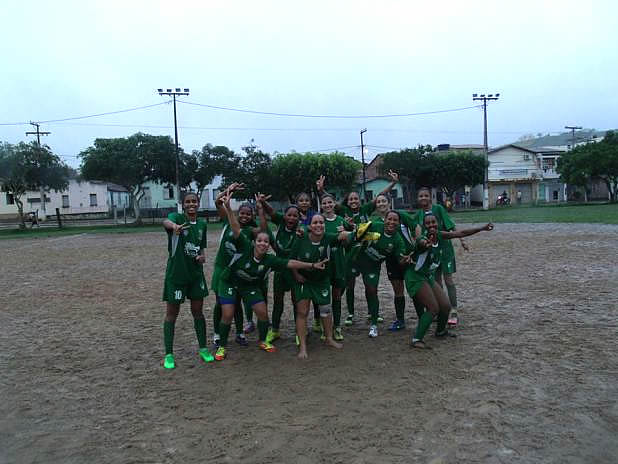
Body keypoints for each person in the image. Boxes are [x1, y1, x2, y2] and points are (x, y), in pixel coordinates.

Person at [214, 193, 327, 361]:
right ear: (254, 242)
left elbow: (290, 263)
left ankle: (262, 340)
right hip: (229, 282)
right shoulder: (246, 246)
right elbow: (236, 227)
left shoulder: (269, 259)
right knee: (228, 314)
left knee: (262, 313)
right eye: (259, 241)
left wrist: (311, 265)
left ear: (269, 245)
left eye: (266, 242)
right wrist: (229, 208)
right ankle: (222, 346)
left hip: (248, 286)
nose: (262, 244)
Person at [316, 171, 400, 327]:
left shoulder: (365, 210)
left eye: (356, 198)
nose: (353, 201)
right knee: (350, 284)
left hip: (365, 253)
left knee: (370, 286)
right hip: (349, 253)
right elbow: (331, 202)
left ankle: (371, 313)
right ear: (347, 202)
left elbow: (380, 196)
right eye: (351, 199)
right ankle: (350, 313)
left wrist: (393, 183)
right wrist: (321, 190)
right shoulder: (343, 212)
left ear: (359, 201)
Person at [407, 213, 493, 348]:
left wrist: (481, 228)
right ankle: (417, 339)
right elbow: (421, 244)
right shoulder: (422, 238)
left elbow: (461, 233)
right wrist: (425, 244)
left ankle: (440, 331)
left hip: (427, 277)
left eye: (433, 222)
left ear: (438, 223)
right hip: (415, 277)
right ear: (424, 226)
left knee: (446, 307)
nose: (431, 225)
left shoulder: (440, 235)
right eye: (428, 223)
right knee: (433, 308)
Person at [161, 191, 212, 369]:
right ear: (183, 205)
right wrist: (174, 226)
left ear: (198, 204)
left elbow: (201, 248)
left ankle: (203, 349)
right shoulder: (177, 217)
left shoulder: (202, 224)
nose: (192, 204)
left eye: (194, 201)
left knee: (198, 311)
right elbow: (165, 221)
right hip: (177, 275)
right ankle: (168, 354)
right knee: (171, 314)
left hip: (195, 275)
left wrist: (202, 257)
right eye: (188, 202)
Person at [290, 214, 352, 359]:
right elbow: (291, 260)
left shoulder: (328, 237)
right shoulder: (301, 238)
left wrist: (355, 230)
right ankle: (303, 347)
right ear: (310, 226)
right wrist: (296, 275)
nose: (319, 225)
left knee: (325, 309)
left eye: (321, 222)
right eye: (315, 223)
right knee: (302, 312)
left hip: (321, 280)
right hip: (304, 280)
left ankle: (329, 338)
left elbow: (342, 236)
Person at [347, 211, 409, 337]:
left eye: (395, 220)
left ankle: (374, 325)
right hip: (355, 259)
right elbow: (354, 233)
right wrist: (354, 234)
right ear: (384, 220)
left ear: (399, 223)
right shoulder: (374, 225)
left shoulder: (398, 241)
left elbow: (400, 259)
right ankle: (347, 316)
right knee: (345, 286)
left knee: (372, 290)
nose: (391, 222)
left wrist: (405, 260)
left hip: (372, 266)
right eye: (389, 219)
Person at [413, 187, 467, 327]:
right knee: (436, 283)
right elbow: (415, 232)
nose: (423, 198)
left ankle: (454, 310)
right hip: (431, 253)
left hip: (446, 251)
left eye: (426, 195)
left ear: (430, 197)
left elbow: (451, 226)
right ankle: (441, 309)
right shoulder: (418, 215)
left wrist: (462, 240)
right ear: (417, 199)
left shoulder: (439, 209)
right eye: (421, 196)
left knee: (448, 280)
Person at [365, 192, 419, 331]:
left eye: (384, 201)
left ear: (389, 203)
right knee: (398, 290)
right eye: (378, 202)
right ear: (375, 206)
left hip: (408, 257)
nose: (381, 203)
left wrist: (418, 246)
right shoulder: (376, 221)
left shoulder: (400, 214)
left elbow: (416, 226)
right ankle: (400, 320)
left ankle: (422, 316)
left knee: (415, 289)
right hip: (392, 260)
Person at [318, 194, 354, 341]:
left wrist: (345, 233)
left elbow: (348, 243)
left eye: (330, 202)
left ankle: (337, 327)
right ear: (321, 205)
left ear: (334, 204)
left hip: (339, 262)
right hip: (324, 263)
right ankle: (325, 328)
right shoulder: (319, 221)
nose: (327, 205)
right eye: (324, 203)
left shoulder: (341, 220)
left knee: (337, 296)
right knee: (323, 298)